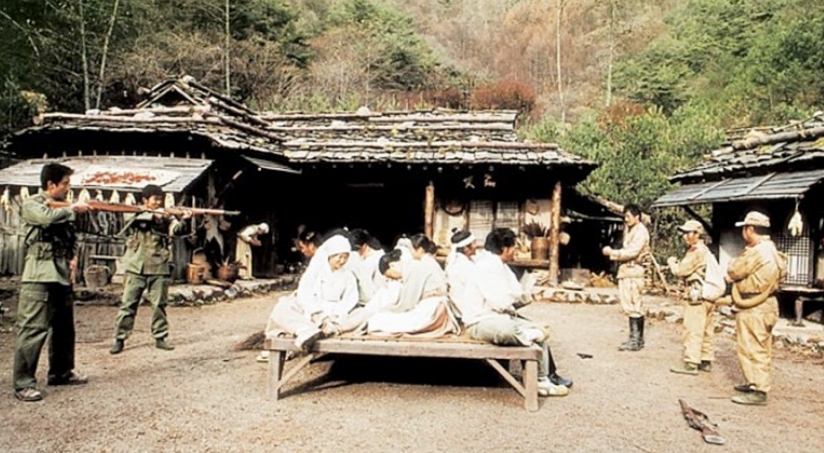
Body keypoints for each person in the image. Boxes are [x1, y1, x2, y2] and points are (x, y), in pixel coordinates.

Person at [459, 228, 572, 397]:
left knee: (540, 330)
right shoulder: (486, 266)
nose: (515, 252)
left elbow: (517, 293)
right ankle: (527, 335)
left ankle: (542, 381)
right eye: (513, 248)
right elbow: (500, 303)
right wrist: (515, 298)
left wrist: (528, 286)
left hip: (500, 317)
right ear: (504, 249)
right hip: (480, 322)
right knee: (510, 329)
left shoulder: (502, 267)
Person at [13, 163, 91, 402]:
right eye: (66, 183)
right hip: (39, 274)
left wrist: (74, 257)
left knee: (64, 328)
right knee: (33, 328)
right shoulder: (32, 203)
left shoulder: (64, 207)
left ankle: (61, 372)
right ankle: (23, 383)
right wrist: (73, 209)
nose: (69, 188)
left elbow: (69, 236)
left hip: (60, 273)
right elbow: (45, 219)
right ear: (50, 185)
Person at [110, 184, 192, 355]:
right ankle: (120, 338)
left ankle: (160, 337)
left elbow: (177, 231)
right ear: (145, 200)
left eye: (160, 199)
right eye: (155, 199)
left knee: (159, 305)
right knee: (128, 305)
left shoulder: (166, 217)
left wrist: (186, 219)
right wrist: (153, 215)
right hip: (135, 266)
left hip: (158, 265)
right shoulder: (134, 212)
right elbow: (135, 219)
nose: (158, 202)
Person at [722, 211, 783, 406]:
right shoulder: (772, 249)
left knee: (752, 347)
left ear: (750, 229)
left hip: (754, 305)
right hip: (767, 304)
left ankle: (759, 388)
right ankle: (754, 381)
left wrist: (734, 275)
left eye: (744, 229)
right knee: (761, 346)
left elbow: (735, 269)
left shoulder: (757, 251)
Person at [265, 235, 359, 350]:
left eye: (345, 258)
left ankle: (327, 329)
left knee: (362, 313)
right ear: (330, 255)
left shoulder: (348, 276)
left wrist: (336, 313)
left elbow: (350, 299)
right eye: (339, 257)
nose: (342, 261)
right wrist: (315, 312)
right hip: (313, 311)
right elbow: (305, 292)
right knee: (283, 306)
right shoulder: (316, 270)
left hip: (334, 314)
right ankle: (307, 331)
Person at [366, 234, 459, 336]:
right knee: (381, 318)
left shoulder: (412, 268)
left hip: (432, 310)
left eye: (390, 275)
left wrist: (385, 310)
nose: (393, 279)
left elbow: (407, 303)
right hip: (431, 307)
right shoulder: (414, 266)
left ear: (392, 265)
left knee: (378, 320)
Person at [666, 220, 716, 375]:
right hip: (708, 295)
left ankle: (691, 362)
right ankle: (706, 359)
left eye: (689, 233)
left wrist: (672, 263)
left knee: (693, 328)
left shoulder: (696, 251)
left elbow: (680, 271)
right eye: (684, 233)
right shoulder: (706, 250)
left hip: (696, 295)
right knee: (707, 329)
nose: (685, 236)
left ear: (697, 234)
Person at [603, 204, 651, 351]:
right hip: (628, 270)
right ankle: (635, 339)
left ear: (637, 217)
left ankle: (636, 340)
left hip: (634, 270)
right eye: (625, 216)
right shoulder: (631, 230)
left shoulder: (640, 232)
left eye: (629, 216)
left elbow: (632, 251)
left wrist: (613, 252)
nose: (626, 219)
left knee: (634, 304)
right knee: (629, 304)